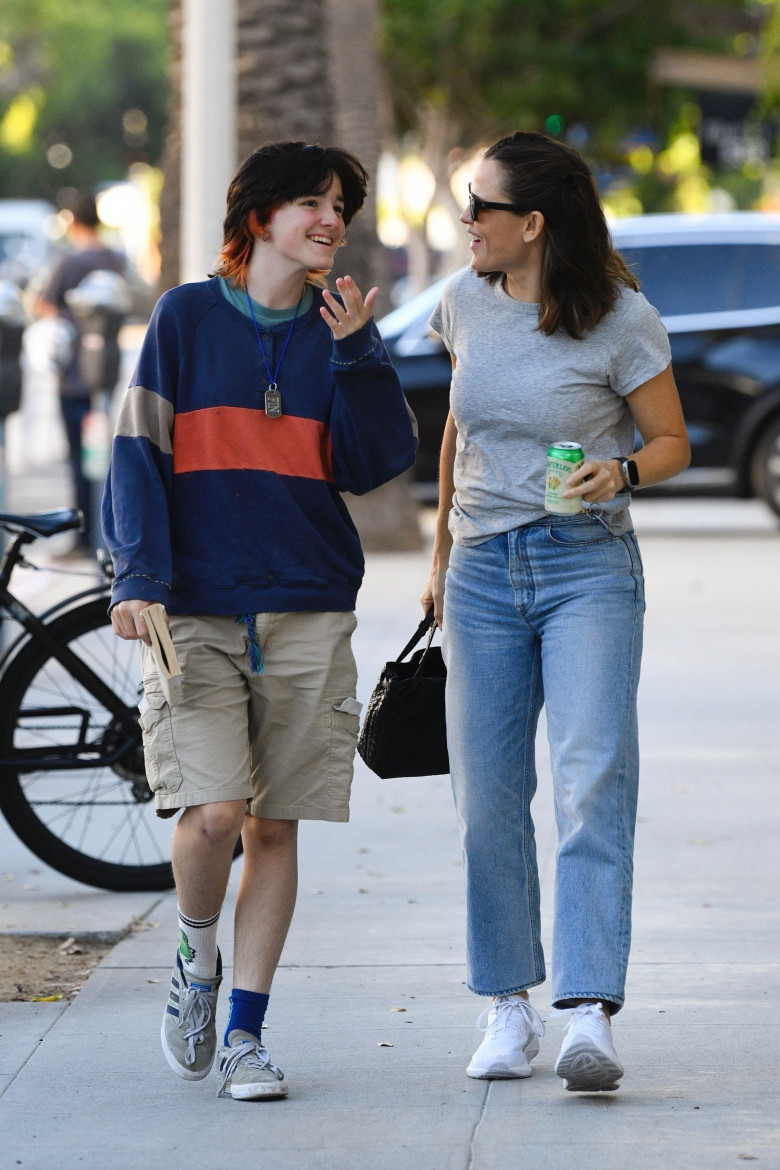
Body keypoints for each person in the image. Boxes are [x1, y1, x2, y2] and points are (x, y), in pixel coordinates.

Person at [103, 141, 417, 1101]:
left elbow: (376, 463)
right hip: (193, 605)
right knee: (212, 817)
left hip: (308, 602)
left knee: (274, 830)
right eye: (312, 204)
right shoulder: (187, 317)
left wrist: (360, 349)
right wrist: (137, 576)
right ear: (259, 216)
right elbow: (137, 453)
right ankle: (196, 958)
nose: (331, 221)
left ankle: (245, 1033)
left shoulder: (340, 331)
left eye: (340, 209)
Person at [422, 131, 690, 1093]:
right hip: (484, 574)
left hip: (587, 568)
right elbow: (458, 425)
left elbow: (671, 443)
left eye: (480, 205)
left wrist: (619, 470)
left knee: (591, 781)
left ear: (532, 224)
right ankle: (507, 1007)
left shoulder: (621, 320)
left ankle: (585, 1011)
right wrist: (440, 551)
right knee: (487, 801)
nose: (466, 219)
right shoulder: (460, 304)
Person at [35, 193, 125, 553]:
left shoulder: (69, 262)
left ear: (74, 223)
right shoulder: (115, 260)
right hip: (106, 369)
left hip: (73, 374)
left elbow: (44, 304)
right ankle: (104, 531)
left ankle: (85, 533)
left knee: (79, 458)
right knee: (102, 454)